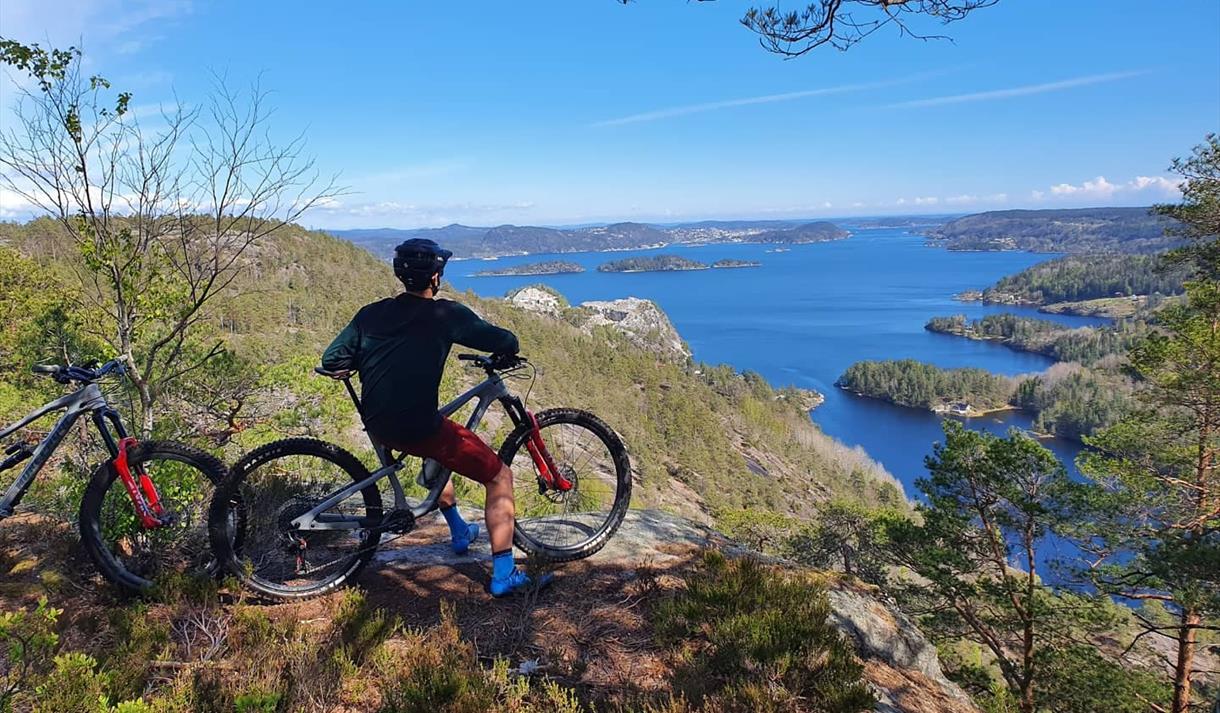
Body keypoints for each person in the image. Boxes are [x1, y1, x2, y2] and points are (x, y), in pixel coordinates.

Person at [321, 238, 548, 597]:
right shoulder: (446, 315)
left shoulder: (370, 313)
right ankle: (504, 573)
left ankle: (459, 531)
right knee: (499, 476)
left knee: (438, 448)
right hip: (417, 428)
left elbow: (332, 358)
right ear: (436, 277)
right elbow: (504, 340)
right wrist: (508, 348)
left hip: (379, 424)